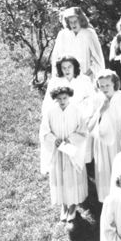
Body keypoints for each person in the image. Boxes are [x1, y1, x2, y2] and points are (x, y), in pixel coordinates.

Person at [39, 86, 89, 222]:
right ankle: (64, 206)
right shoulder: (50, 112)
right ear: (55, 99)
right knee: (60, 178)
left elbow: (83, 131)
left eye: (65, 98)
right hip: (57, 151)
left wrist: (71, 139)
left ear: (69, 97)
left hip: (72, 151)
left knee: (71, 178)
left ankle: (72, 206)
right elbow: (44, 131)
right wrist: (54, 140)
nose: (62, 101)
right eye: (59, 99)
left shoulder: (77, 111)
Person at [87, 70, 121, 197]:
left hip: (120, 140)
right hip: (101, 142)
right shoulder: (96, 99)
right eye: (101, 86)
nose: (104, 88)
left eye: (107, 85)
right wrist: (100, 111)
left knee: (120, 169)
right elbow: (89, 125)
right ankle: (106, 201)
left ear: (114, 84)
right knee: (103, 172)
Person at [51, 6, 106, 78]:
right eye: (70, 22)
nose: (73, 24)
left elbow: (98, 59)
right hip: (66, 78)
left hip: (86, 77)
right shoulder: (62, 35)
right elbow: (56, 57)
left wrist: (86, 75)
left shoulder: (89, 34)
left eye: (75, 21)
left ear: (81, 20)